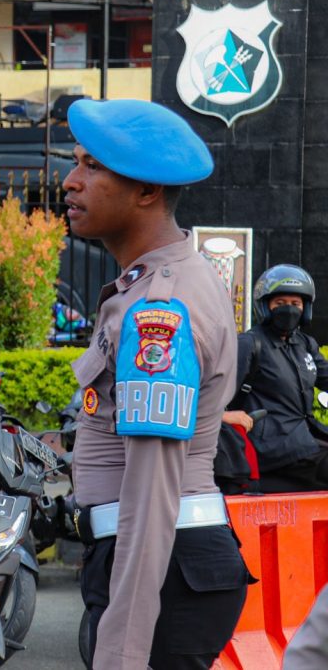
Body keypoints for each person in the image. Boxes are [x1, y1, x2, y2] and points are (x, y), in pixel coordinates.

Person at [63, 99, 251, 669]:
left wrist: (123, 652)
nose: (70, 182)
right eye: (75, 163)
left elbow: (150, 498)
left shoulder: (160, 310)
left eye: (92, 167)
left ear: (146, 191)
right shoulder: (148, 286)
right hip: (159, 564)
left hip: (163, 564)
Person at [220, 265, 328, 492]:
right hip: (273, 445)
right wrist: (225, 415)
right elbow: (216, 391)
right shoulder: (250, 344)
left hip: (307, 440)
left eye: (295, 304)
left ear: (305, 308)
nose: (288, 310)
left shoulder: (305, 344)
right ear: (266, 307)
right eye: (280, 304)